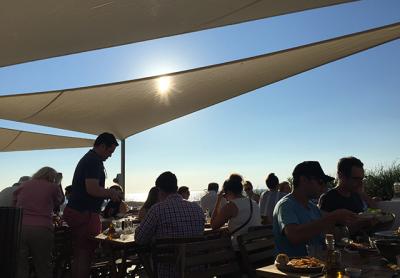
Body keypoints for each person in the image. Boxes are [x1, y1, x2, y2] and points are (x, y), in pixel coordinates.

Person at [63, 132, 121, 278]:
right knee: (85, 254)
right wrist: (111, 193)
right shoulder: (93, 161)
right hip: (85, 213)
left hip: (77, 211)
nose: (110, 155)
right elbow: (92, 189)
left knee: (80, 254)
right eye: (109, 151)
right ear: (102, 146)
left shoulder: (89, 159)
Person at [273, 161, 358, 256]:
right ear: (303, 180)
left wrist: (352, 224)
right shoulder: (286, 205)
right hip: (294, 267)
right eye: (320, 182)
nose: (324, 187)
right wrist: (332, 217)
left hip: (315, 264)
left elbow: (325, 234)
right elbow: (294, 236)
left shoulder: (312, 207)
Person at [135, 171, 204, 277]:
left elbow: (140, 239)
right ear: (176, 188)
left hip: (166, 272)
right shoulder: (197, 209)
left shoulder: (157, 209)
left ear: (159, 190)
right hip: (195, 269)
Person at [13, 167, 64, 278]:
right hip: (42, 228)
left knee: (20, 264)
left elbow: (14, 201)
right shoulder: (52, 187)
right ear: (52, 176)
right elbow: (59, 201)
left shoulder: (24, 185)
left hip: (20, 227)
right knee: (43, 264)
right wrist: (58, 184)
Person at [211, 174, 261, 246]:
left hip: (241, 249)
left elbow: (213, 225)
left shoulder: (231, 206)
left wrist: (218, 200)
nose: (225, 197)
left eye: (225, 195)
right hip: (256, 246)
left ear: (229, 192)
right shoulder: (253, 203)